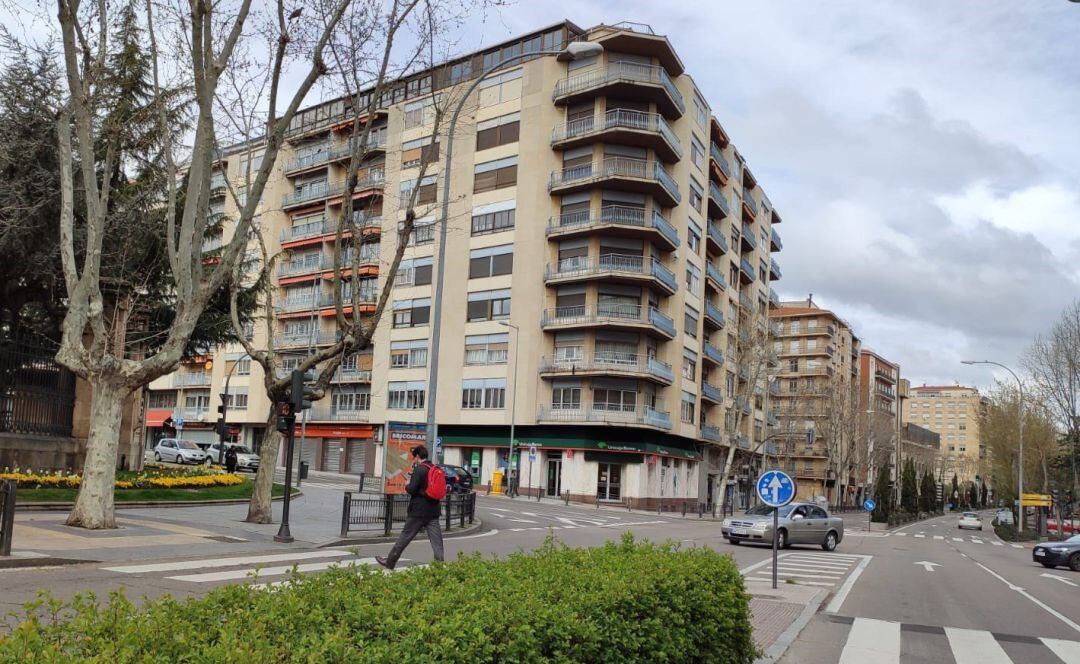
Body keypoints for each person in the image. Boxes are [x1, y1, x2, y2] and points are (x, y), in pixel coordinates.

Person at [376, 445, 444, 570]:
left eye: (415, 458)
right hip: (433, 511)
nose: (414, 460)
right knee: (437, 541)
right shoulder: (435, 468)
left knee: (405, 537)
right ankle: (440, 566)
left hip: (418, 512)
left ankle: (389, 562)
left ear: (418, 456)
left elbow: (412, 489)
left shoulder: (419, 470)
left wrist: (407, 484)